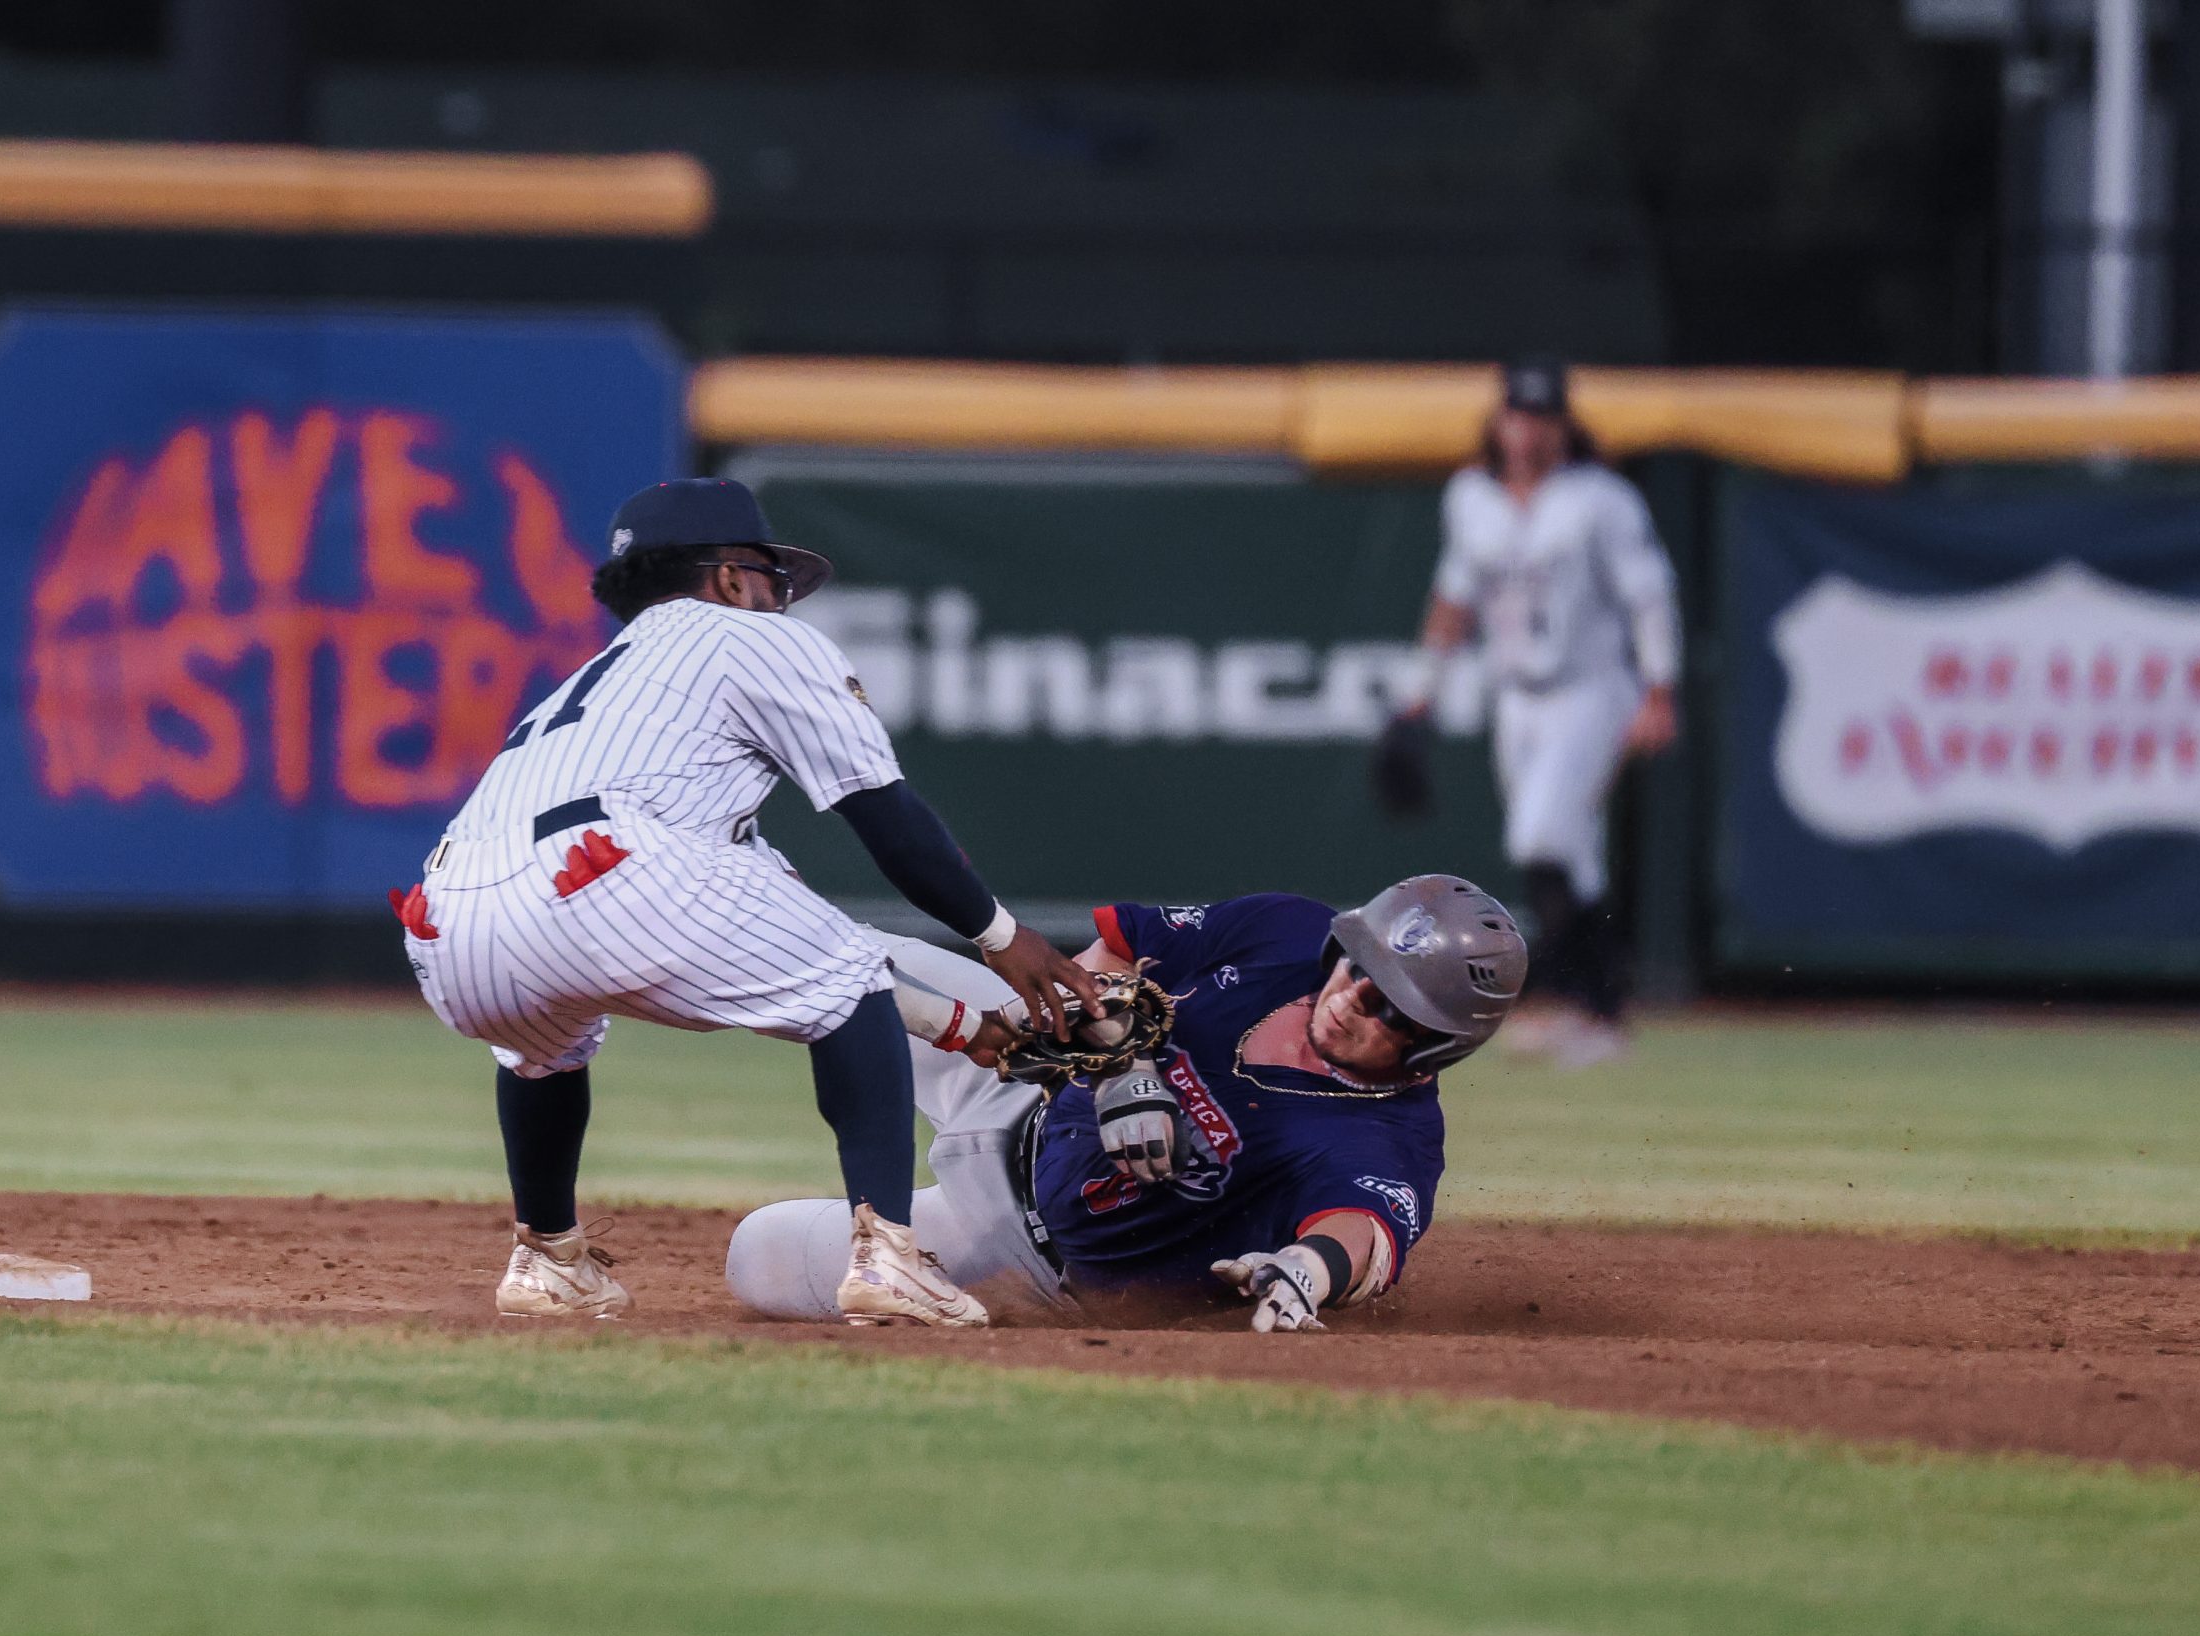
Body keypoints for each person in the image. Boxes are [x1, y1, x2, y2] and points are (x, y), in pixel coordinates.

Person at [395, 477, 1101, 1328]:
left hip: (445, 914)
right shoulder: (749, 639)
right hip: (607, 865)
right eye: (772, 579)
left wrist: (959, 1024)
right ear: (730, 579)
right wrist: (1000, 935)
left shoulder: (607, 703)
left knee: (545, 1051)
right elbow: (886, 816)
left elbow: (807, 952)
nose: (779, 598)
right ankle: (890, 1257)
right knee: (844, 984)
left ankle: (548, 1260)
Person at [725, 876, 1526, 1331]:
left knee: (754, 1255)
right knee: (845, 954)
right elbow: (1115, 944)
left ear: (1436, 1046)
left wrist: (1306, 1272)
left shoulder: (1388, 1137)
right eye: (1362, 972)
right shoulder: (1286, 933)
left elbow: (1365, 1235)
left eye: (1394, 1012)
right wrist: (1115, 1059)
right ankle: (656, 914)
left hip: (1020, 1249)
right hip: (1024, 1078)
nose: (1357, 1002)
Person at [1397, 357, 1681, 1067]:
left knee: (1542, 837)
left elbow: (1649, 594)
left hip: (1591, 689)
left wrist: (1659, 688)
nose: (1527, 431)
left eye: (1541, 418)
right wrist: (1418, 692)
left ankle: (1565, 996)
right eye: (1517, 416)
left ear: (1562, 425)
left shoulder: (1600, 497)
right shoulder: (1471, 496)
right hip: (1517, 696)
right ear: (1499, 421)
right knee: (1572, 858)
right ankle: (1599, 1012)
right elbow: (1454, 598)